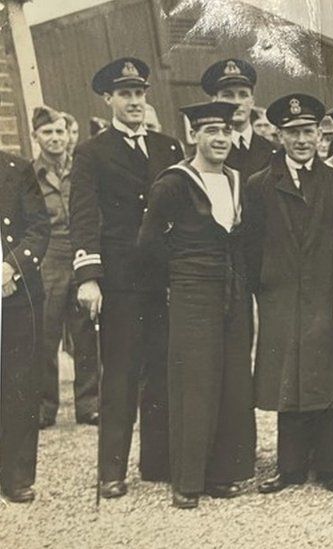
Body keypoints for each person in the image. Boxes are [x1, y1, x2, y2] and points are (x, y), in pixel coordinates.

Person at [71, 57, 184, 499]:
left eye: (139, 94)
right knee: (119, 373)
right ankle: (111, 471)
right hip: (119, 282)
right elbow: (83, 214)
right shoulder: (91, 152)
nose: (134, 102)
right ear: (109, 99)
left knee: (161, 371)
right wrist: (88, 277)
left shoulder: (168, 148)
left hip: (163, 280)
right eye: (125, 95)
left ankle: (157, 463)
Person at [137, 101, 256, 509]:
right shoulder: (173, 183)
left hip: (232, 291)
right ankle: (187, 480)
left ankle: (222, 474)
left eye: (225, 131)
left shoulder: (237, 180)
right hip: (192, 290)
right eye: (210, 132)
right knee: (194, 383)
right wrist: (175, 282)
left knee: (230, 378)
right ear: (194, 136)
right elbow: (148, 244)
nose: (220, 139)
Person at [246, 94, 333, 495]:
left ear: (320, 135)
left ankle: (330, 466)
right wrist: (266, 287)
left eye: (308, 131)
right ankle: (289, 468)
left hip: (325, 293)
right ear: (279, 136)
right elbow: (251, 244)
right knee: (287, 378)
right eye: (293, 133)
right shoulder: (260, 185)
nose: (302, 140)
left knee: (327, 374)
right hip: (282, 295)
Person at [31, 106, 99, 429]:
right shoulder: (28, 176)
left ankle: (89, 404)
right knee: (45, 333)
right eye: (47, 132)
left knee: (85, 330)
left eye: (60, 131)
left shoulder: (82, 169)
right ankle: (44, 407)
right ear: (35, 137)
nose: (55, 138)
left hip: (81, 252)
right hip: (48, 258)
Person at [0, 148, 50, 504]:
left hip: (16, 293)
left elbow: (38, 227)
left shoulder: (17, 169)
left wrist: (11, 267)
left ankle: (16, 476)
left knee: (18, 382)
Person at [201, 59, 277, 185]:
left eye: (243, 95)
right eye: (228, 95)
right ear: (215, 101)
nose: (237, 102)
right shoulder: (204, 153)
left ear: (252, 101)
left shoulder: (275, 151)